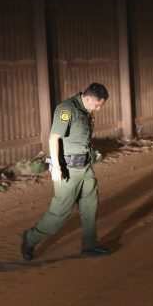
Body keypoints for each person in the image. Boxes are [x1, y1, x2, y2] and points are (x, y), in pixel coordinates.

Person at [20, 83, 112, 261]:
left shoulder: (86, 111)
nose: (99, 109)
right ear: (87, 97)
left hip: (85, 168)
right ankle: (30, 238)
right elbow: (54, 138)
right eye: (97, 105)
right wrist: (56, 167)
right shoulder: (66, 109)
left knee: (90, 206)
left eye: (101, 105)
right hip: (68, 169)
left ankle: (90, 245)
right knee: (59, 214)